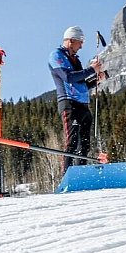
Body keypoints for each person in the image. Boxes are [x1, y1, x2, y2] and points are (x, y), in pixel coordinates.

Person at [48, 26, 104, 173]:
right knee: (71, 141)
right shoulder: (57, 55)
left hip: (83, 104)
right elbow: (69, 77)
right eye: (80, 42)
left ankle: (81, 174)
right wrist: (92, 69)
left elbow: (81, 84)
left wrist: (96, 80)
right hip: (69, 103)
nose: (81, 46)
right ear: (71, 41)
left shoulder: (76, 60)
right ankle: (67, 175)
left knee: (84, 144)